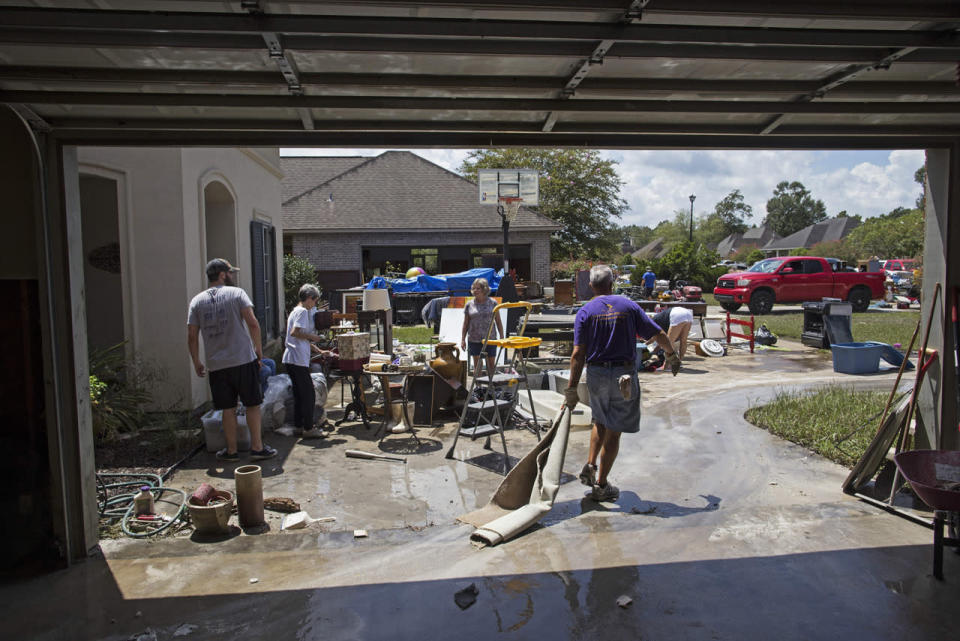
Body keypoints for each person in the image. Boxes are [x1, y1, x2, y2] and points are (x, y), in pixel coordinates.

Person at [564, 265, 680, 502]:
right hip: (622, 377)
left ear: (591, 285)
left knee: (600, 420)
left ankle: (590, 464)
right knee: (614, 432)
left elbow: (577, 354)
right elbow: (658, 334)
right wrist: (671, 355)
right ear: (612, 283)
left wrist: (572, 388)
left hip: (595, 374)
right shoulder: (628, 306)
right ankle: (601, 485)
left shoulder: (585, 312)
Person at [187, 258, 277, 461]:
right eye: (231, 273)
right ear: (222, 275)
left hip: (216, 365)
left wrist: (196, 362)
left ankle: (231, 451)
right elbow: (253, 323)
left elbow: (191, 335)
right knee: (252, 404)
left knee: (227, 409)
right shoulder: (237, 293)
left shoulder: (196, 301)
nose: (233, 276)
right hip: (243, 360)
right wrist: (258, 351)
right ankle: (257, 448)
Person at [282, 284, 328, 439]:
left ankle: (299, 426)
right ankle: (309, 428)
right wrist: (313, 336)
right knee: (308, 394)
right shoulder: (302, 311)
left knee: (299, 394)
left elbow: (298, 336)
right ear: (309, 298)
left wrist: (319, 350)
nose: (314, 304)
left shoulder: (296, 311)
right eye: (314, 301)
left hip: (291, 358)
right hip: (297, 358)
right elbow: (296, 333)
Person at [461, 277, 504, 379]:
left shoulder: (493, 303)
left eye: (478, 288)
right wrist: (463, 339)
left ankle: (491, 388)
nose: (475, 291)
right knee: (477, 365)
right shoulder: (469, 305)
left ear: (484, 289)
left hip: (490, 339)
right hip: (474, 339)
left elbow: (498, 321)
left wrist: (502, 336)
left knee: (491, 365)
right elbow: (465, 323)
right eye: (474, 288)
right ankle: (478, 389)